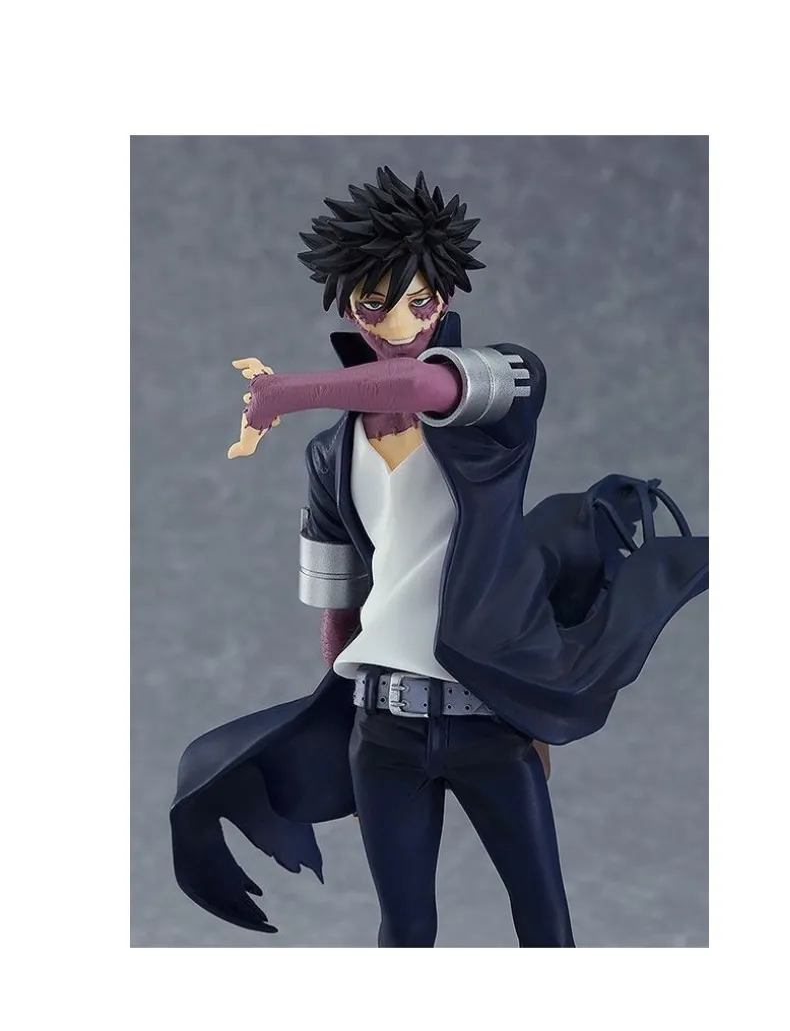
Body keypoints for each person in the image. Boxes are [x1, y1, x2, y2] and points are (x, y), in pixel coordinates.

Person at [170, 167, 708, 946]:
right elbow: (339, 607)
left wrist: (287, 392)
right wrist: (344, 719)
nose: (398, 324)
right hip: (384, 732)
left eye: (420, 302)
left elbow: (422, 384)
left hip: (489, 724)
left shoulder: (503, 388)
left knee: (545, 921)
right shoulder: (329, 457)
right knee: (404, 927)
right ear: (348, 305)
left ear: (446, 299)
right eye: (375, 304)